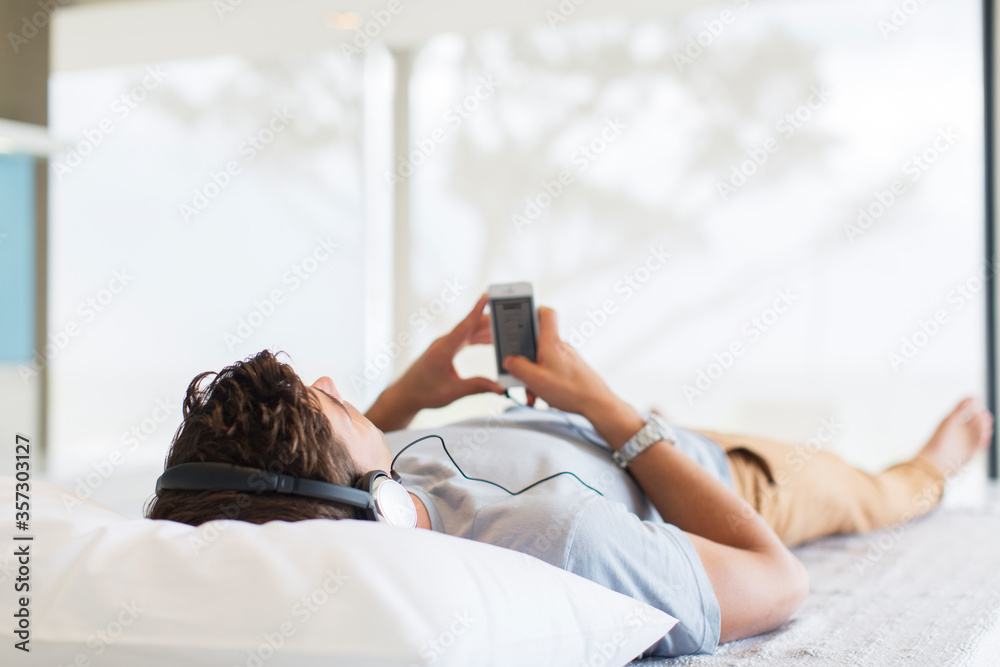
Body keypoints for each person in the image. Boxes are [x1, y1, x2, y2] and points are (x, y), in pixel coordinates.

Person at [146, 295, 993, 657]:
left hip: (590, 431)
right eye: (324, 400)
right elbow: (781, 578)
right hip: (709, 475)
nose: (337, 387)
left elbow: (319, 478)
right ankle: (935, 465)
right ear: (385, 507)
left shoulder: (345, 505)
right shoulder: (557, 544)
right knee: (873, 490)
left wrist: (411, 393)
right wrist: (608, 403)